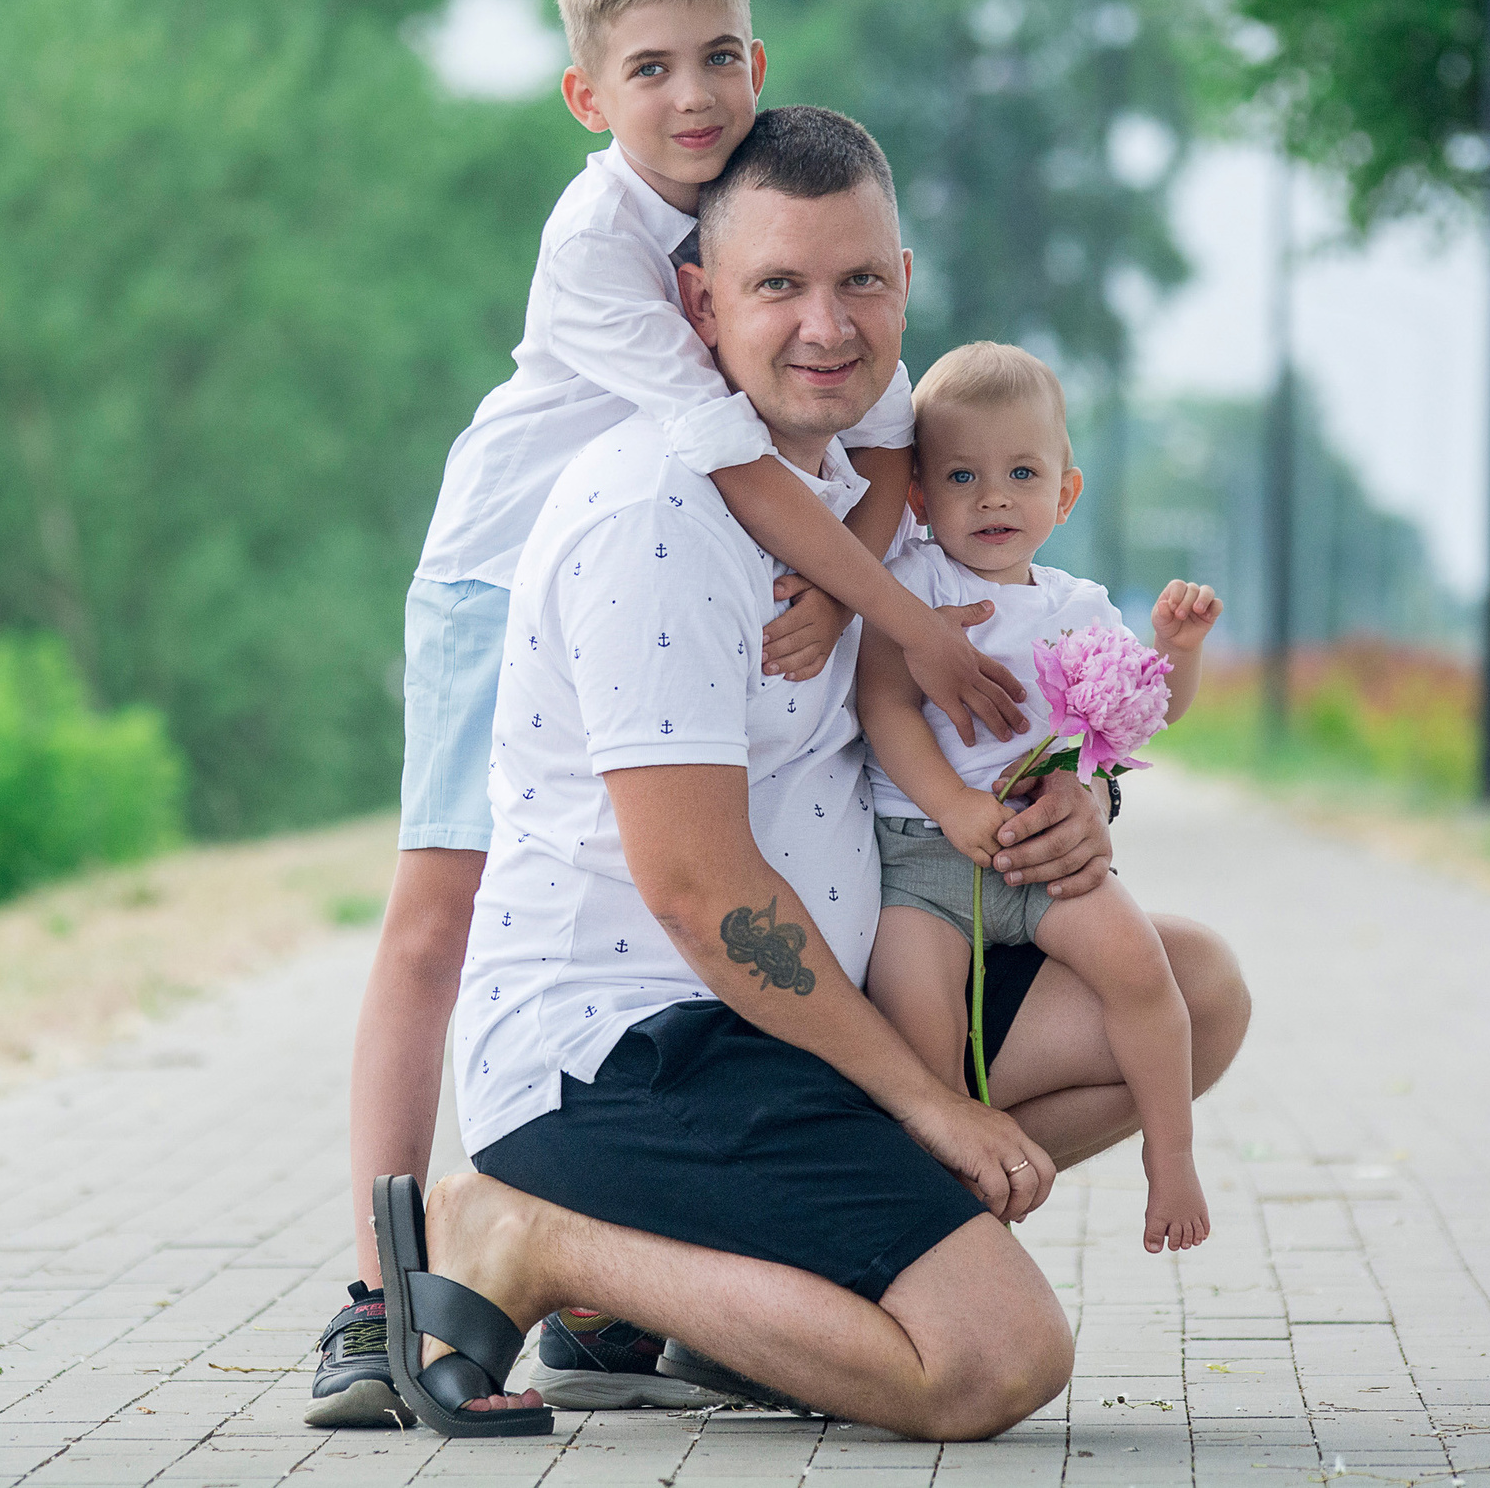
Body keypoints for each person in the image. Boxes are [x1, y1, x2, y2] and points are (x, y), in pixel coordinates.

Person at [367, 107, 1249, 1441]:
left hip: (807, 1016)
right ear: (699, 302)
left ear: (905, 285)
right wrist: (926, 1106)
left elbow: (988, 697)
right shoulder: (653, 517)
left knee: (1191, 991)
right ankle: (533, 1235)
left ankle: (705, 1307)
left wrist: (1077, 796)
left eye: (861, 282)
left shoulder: (866, 497)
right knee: (991, 1359)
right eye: (778, 284)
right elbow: (704, 893)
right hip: (635, 1047)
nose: (827, 325)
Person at [314, 0, 1031, 1427]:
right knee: (440, 916)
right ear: (589, 96)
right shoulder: (598, 243)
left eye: (716, 57)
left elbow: (885, 441)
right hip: (509, 565)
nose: (691, 94)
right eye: (650, 68)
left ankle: (654, 1292)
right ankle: (387, 1285)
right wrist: (892, 617)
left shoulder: (776, 201)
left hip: (683, 557)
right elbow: (742, 469)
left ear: (757, 59)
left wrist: (846, 606)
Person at [855, 340, 1223, 1256]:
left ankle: (1171, 1157)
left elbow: (1145, 713)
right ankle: (945, 1207)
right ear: (918, 496)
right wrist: (952, 806)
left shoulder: (1078, 606)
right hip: (924, 860)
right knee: (922, 1045)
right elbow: (886, 707)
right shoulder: (910, 589)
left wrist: (1177, 649)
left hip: (1043, 858)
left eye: (1022, 473)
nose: (992, 497)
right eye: (962, 475)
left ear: (1064, 494)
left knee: (1144, 971)